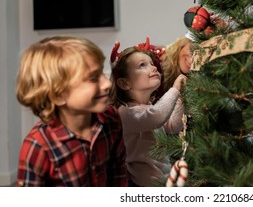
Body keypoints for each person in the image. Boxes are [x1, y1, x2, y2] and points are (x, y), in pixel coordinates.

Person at [15, 36, 127, 187]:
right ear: (58, 95)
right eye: (93, 78)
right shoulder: (38, 146)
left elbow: (118, 173)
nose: (107, 83)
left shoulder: (111, 118)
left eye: (102, 73)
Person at [109, 38, 187, 187]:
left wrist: (180, 96)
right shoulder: (124, 113)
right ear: (124, 83)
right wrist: (175, 89)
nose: (153, 68)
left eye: (151, 64)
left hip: (163, 179)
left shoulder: (150, 108)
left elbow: (172, 125)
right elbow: (157, 117)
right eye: (142, 65)